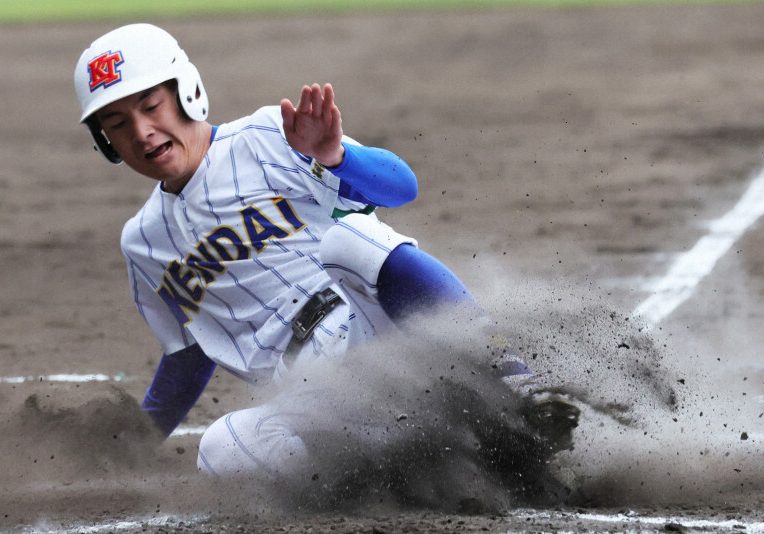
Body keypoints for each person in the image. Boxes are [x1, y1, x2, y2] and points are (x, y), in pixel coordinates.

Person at [73, 23, 559, 478]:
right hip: (315, 398)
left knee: (350, 236)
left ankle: (515, 385)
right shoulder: (143, 242)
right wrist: (129, 446)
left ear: (187, 93)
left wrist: (335, 157)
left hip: (371, 331)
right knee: (220, 451)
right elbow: (189, 356)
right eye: (117, 123)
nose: (141, 132)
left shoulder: (269, 136)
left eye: (150, 106)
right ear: (105, 140)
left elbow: (401, 187)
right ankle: (414, 466)